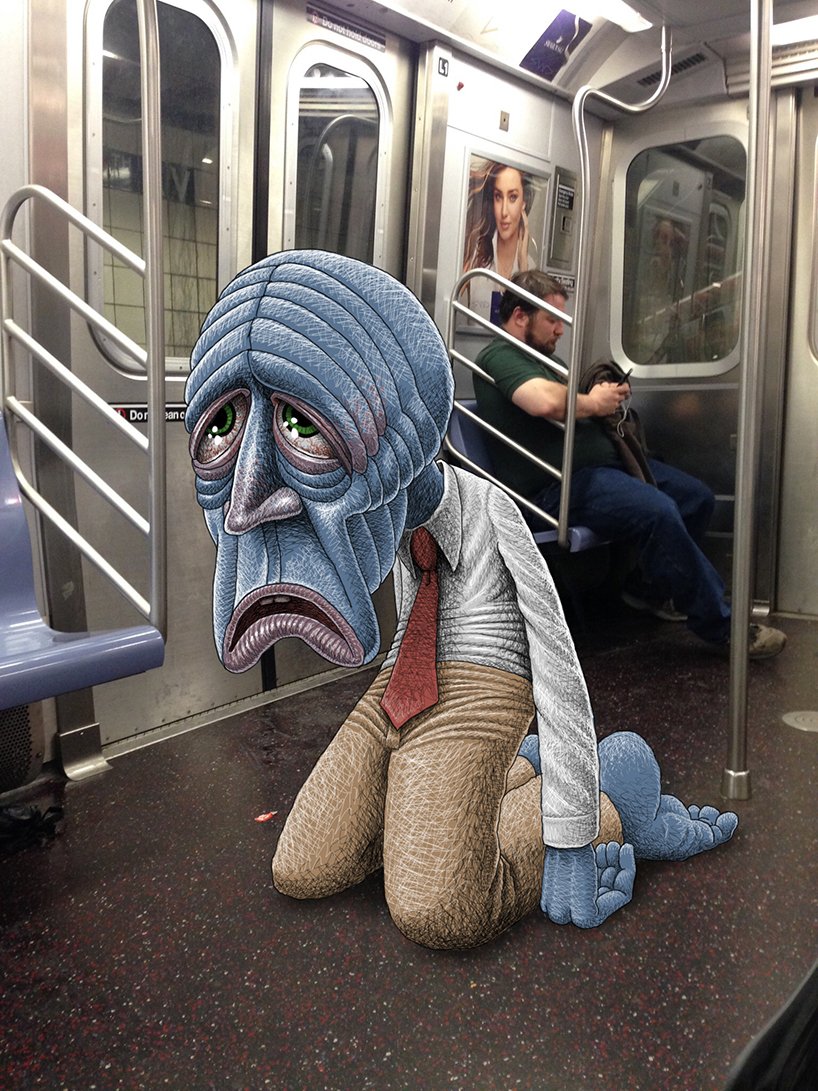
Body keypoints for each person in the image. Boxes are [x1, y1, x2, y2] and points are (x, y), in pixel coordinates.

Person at [185, 250, 738, 951]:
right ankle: (514, 772)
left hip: (483, 682)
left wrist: (571, 837)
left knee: (436, 909)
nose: (244, 505)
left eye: (300, 426)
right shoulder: (394, 519)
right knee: (304, 867)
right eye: (224, 428)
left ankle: (608, 798)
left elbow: (556, 662)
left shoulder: (487, 513)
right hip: (399, 681)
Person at [473, 269, 786, 659]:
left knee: (696, 498)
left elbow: (566, 401)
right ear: (520, 316)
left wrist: (600, 397)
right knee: (658, 511)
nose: (560, 330)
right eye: (552, 319)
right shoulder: (499, 355)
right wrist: (594, 402)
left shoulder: (545, 361)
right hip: (560, 486)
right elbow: (545, 402)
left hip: (605, 470)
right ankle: (722, 628)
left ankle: (646, 590)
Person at [462, 160, 538, 322]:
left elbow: (528, 326)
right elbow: (447, 299)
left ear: (523, 203)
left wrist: (523, 266)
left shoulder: (530, 267)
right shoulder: (475, 256)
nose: (504, 211)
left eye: (512, 197)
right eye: (498, 197)